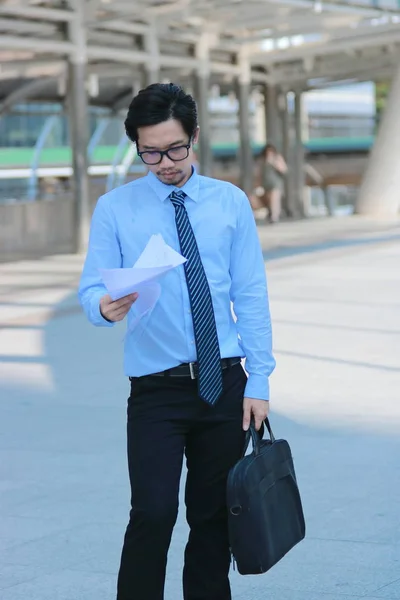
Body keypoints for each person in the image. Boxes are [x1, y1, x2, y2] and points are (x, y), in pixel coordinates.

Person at [78, 82, 276, 600]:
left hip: (225, 384)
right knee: (153, 511)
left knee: (212, 518)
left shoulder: (230, 203)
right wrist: (103, 305)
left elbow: (251, 294)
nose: (163, 162)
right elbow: (91, 287)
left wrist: (259, 379)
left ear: (194, 137)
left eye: (174, 148)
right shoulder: (116, 208)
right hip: (156, 389)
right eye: (149, 152)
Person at [260, 143, 287, 223]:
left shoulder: (277, 158)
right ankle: (271, 214)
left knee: (275, 199)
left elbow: (283, 169)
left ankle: (274, 217)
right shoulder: (263, 160)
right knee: (269, 201)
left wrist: (273, 163)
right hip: (267, 183)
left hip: (276, 183)